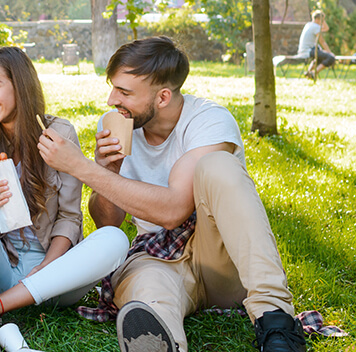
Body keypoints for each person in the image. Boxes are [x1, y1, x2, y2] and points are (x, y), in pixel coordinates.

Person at [44, 37, 305, 352]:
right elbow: (108, 224)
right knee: (148, 296)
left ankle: (275, 320)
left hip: (218, 261)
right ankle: (160, 337)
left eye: (124, 92)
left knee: (217, 164)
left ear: (163, 96)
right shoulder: (115, 125)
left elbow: (173, 211)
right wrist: (107, 171)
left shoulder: (209, 121)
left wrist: (83, 168)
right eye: (113, 87)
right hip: (156, 260)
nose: (113, 99)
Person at [0, 46, 130, 351]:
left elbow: (70, 218)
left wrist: (47, 266)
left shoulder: (58, 134)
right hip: (2, 267)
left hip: (55, 277)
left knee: (114, 239)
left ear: (20, 85)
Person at [298, 10, 335, 82]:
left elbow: (326, 28)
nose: (323, 22)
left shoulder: (309, 24)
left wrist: (322, 19)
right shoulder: (315, 27)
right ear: (318, 19)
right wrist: (330, 52)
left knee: (320, 57)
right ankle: (313, 73)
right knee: (330, 58)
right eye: (322, 20)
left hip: (304, 50)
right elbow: (322, 42)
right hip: (308, 51)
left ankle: (309, 72)